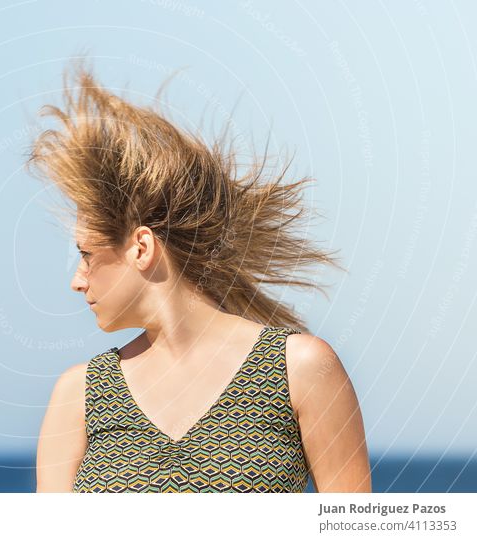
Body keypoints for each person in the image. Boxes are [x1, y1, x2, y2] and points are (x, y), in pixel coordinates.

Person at [28, 59, 371, 493]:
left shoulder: (299, 369)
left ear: (141, 248)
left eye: (86, 254)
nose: (77, 281)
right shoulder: (77, 397)